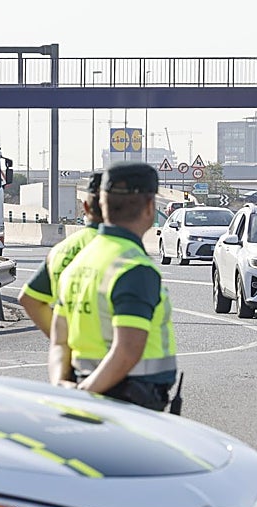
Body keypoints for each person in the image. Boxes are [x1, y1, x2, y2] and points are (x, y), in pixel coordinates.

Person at [48, 161, 181, 414]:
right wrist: (87, 395)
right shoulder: (134, 268)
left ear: (103, 205)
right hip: (131, 403)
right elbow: (128, 350)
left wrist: (61, 386)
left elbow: (59, 341)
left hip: (83, 387)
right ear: (150, 208)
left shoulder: (78, 262)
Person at [18, 171, 103, 337]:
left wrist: (62, 339)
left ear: (85, 207)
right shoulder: (122, 251)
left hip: (73, 357)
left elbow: (29, 299)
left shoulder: (61, 250)